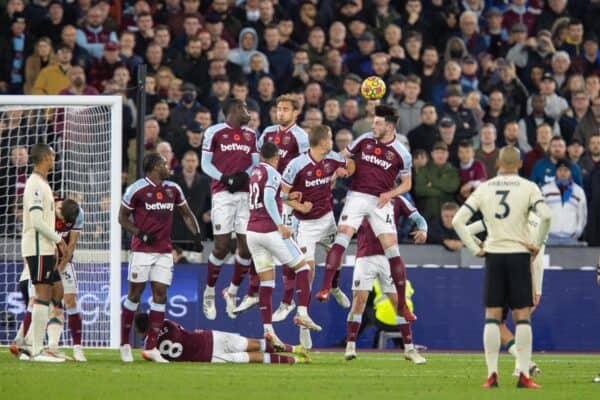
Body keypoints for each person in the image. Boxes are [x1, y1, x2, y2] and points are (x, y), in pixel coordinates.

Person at [452, 146, 552, 389]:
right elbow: (546, 216)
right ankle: (524, 375)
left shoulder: (485, 188)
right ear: (519, 164)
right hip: (520, 256)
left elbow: (458, 221)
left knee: (492, 317)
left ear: (497, 163)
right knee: (523, 317)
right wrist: (536, 245)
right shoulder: (529, 188)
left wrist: (475, 249)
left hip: (495, 255)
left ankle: (492, 374)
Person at [315, 105, 416, 323]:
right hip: (357, 195)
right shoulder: (364, 140)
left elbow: (407, 184)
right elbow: (344, 155)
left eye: (378, 123)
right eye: (373, 122)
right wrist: (333, 171)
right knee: (341, 237)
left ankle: (403, 306)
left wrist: (390, 193)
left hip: (381, 201)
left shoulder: (402, 153)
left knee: (392, 250)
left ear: (389, 126)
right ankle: (325, 288)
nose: (373, 126)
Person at [119, 153, 203, 363]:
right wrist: (140, 233)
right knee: (135, 295)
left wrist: (197, 235)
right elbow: (122, 217)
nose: (168, 166)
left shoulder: (173, 189)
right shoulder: (136, 189)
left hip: (164, 251)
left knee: (160, 295)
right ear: (155, 167)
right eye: (165, 163)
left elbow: (186, 213)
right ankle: (125, 344)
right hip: (141, 251)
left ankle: (152, 347)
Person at [277, 125, 352, 348]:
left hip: (327, 219)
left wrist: (345, 171)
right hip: (305, 225)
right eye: (330, 138)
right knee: (306, 271)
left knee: (336, 257)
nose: (333, 141)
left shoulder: (333, 158)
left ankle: (335, 288)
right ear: (322, 142)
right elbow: (282, 196)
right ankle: (303, 325)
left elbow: (349, 167)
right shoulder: (296, 165)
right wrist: (300, 205)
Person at [236, 94, 309, 321]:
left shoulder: (300, 136)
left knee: (287, 252)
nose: (281, 113)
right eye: (279, 109)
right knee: (258, 246)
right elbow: (257, 162)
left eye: (286, 109)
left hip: (286, 201)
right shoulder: (267, 133)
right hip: (269, 195)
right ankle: (252, 292)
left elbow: (304, 167)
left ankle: (287, 301)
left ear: (296, 113)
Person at [245, 142, 321, 346]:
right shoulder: (273, 173)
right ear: (277, 157)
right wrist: (280, 225)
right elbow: (269, 199)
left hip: (252, 233)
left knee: (267, 283)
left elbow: (265, 195)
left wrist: (288, 196)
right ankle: (302, 312)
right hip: (270, 231)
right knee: (303, 267)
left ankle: (268, 330)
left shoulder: (255, 172)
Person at [345, 195, 427, 364]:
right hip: (365, 257)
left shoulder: (398, 200)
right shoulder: (360, 200)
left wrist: (423, 230)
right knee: (359, 300)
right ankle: (350, 346)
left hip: (388, 258)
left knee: (399, 303)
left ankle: (409, 349)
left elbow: (418, 218)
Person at [200, 99, 259, 320]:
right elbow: (205, 164)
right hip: (222, 194)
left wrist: (244, 175)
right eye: (245, 108)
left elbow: (255, 163)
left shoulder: (252, 135)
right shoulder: (214, 132)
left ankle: (232, 292)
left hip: (245, 195)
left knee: (246, 248)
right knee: (222, 247)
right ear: (234, 110)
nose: (248, 113)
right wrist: (225, 178)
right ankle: (209, 291)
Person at [19, 143, 67, 362]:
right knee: (43, 295)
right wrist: (59, 241)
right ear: (45, 157)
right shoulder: (36, 185)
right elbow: (37, 221)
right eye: (52, 155)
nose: (54, 158)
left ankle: (34, 343)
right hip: (38, 247)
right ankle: (33, 349)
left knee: (57, 290)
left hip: (44, 248)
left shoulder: (43, 183)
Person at [133, 314, 308, 364]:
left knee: (252, 358)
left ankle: (295, 361)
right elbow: (182, 331)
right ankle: (295, 349)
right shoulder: (166, 323)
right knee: (254, 344)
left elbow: (148, 355)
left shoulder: (151, 348)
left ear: (141, 332)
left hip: (208, 358)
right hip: (210, 339)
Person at [541, 159, 587, 245]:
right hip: (549, 238)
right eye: (560, 170)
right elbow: (540, 214)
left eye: (566, 170)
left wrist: (576, 233)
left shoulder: (578, 191)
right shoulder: (545, 190)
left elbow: (582, 216)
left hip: (570, 238)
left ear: (570, 172)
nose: (563, 173)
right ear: (556, 171)